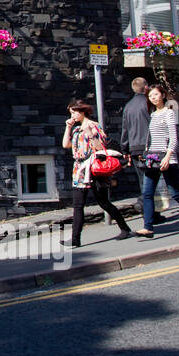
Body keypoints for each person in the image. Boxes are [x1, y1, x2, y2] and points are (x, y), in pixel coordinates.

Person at [134, 83, 179, 237]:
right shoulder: (152, 114)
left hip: (167, 158)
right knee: (147, 193)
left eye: (156, 95)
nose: (153, 98)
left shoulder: (169, 113)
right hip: (153, 158)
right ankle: (148, 227)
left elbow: (173, 138)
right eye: (150, 96)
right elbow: (152, 139)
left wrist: (168, 156)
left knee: (176, 193)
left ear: (163, 95)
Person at [62, 98, 132, 246]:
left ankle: (125, 228)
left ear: (82, 111)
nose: (72, 116)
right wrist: (68, 128)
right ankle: (75, 239)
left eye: (74, 112)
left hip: (93, 168)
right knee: (78, 205)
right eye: (71, 113)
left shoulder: (93, 126)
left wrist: (91, 135)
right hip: (79, 170)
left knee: (104, 202)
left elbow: (101, 148)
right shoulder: (75, 128)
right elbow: (66, 145)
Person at [120, 76, 165, 224]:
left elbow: (125, 130)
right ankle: (145, 207)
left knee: (143, 180)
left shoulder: (128, 106)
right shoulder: (149, 103)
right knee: (154, 179)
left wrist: (124, 149)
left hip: (134, 149)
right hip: (150, 147)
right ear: (146, 88)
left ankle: (150, 215)